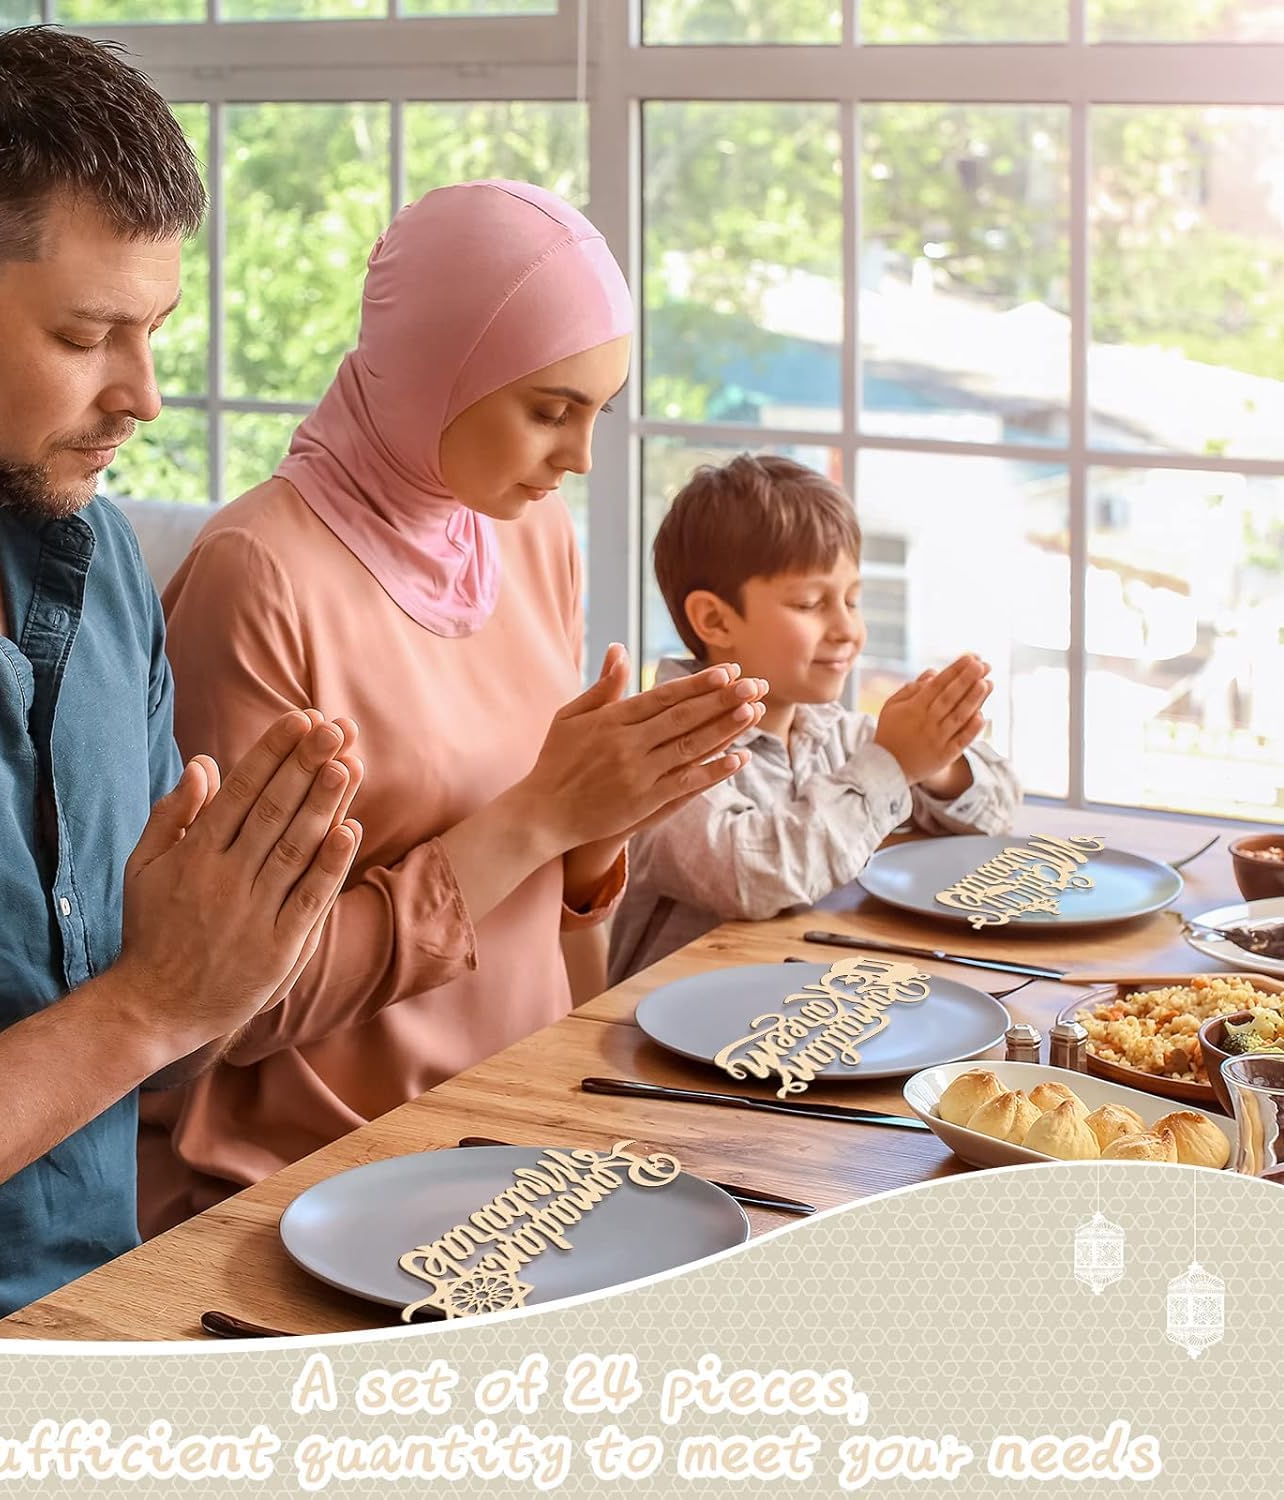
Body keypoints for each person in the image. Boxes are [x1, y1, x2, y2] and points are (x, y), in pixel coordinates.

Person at [0, 28, 363, 1336]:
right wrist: (149, 1003)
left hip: (119, 1328)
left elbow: (164, 1035)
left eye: (153, 329)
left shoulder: (94, 558)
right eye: (86, 334)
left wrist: (232, 960)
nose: (145, 395)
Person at [140, 180, 768, 1234]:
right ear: (436, 366)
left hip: (527, 1126)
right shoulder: (257, 577)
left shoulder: (530, 534)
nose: (579, 457)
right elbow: (235, 1005)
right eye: (549, 410)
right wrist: (539, 818)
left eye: (598, 411)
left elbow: (551, 914)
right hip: (317, 1181)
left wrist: (596, 837)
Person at [609, 453, 1022, 982]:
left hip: (809, 1018)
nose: (846, 628)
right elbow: (750, 873)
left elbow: (999, 810)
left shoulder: (828, 729)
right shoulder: (665, 752)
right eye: (809, 603)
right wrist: (894, 764)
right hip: (666, 1044)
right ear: (714, 619)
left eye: (852, 599)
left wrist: (936, 764)